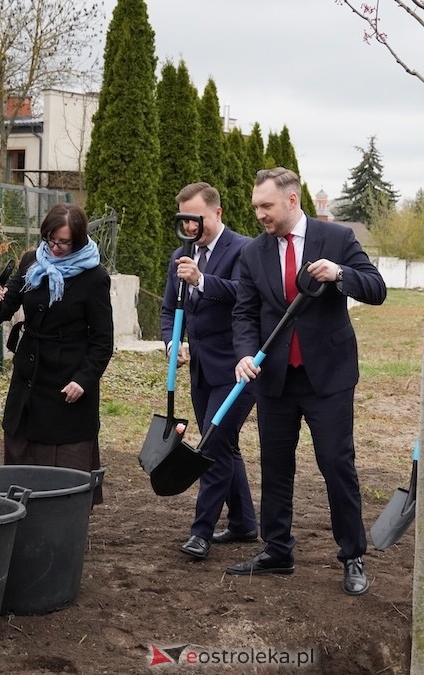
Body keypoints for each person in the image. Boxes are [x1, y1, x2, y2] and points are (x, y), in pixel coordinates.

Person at [226, 167, 387, 596]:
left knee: (337, 464)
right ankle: (277, 550)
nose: (259, 213)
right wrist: (245, 353)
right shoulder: (253, 253)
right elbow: (244, 312)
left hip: (328, 379)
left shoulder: (336, 240)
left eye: (267, 205)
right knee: (275, 467)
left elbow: (376, 288)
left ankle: (352, 555)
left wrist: (339, 275)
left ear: (292, 200)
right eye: (256, 205)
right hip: (275, 380)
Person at [0, 203, 113, 504]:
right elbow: (5, 307)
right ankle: (20, 515)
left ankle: (63, 519)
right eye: (50, 240)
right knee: (21, 447)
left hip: (68, 380)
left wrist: (84, 379)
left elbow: (103, 340)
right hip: (30, 373)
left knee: (65, 457)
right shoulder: (32, 262)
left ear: (78, 240)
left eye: (63, 242)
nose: (54, 247)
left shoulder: (94, 277)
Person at [159, 182, 258, 560]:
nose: (189, 227)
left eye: (196, 219)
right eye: (184, 219)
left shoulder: (246, 250)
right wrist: (173, 343)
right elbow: (170, 311)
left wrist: (201, 279)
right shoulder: (180, 256)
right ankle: (244, 523)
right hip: (200, 368)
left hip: (238, 367)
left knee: (212, 445)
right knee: (224, 445)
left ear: (216, 213)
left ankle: (200, 532)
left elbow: (244, 296)